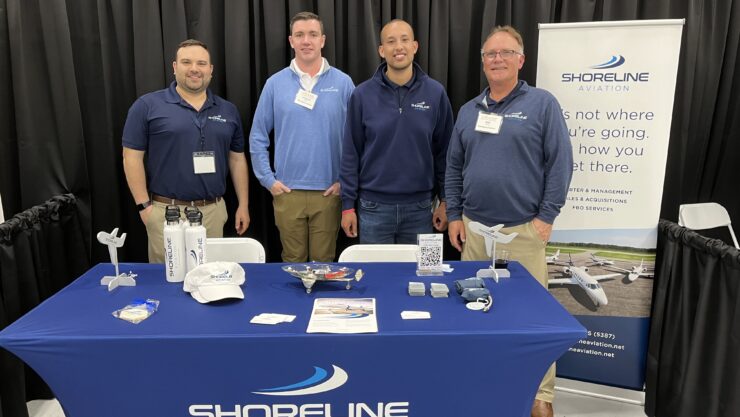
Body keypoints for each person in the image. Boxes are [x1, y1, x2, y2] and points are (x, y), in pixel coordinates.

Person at [445, 26, 573, 417]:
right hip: (474, 232)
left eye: (505, 52)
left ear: (521, 59)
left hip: (522, 233)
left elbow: (561, 163)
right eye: (489, 54)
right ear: (482, 61)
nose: (496, 59)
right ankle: (483, 382)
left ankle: (540, 396)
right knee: (473, 309)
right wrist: (453, 215)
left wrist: (545, 218)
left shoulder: (542, 104)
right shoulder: (470, 110)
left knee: (534, 319)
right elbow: (453, 166)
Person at [123, 39, 250, 263]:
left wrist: (243, 204)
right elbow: (131, 157)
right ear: (174, 67)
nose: (194, 69)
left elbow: (237, 159)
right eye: (186, 62)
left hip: (212, 212)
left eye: (201, 63)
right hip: (165, 214)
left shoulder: (228, 110)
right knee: (168, 283)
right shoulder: (148, 105)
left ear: (210, 70)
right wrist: (144, 207)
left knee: (210, 281)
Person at [250, 12, 354, 262]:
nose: (306, 40)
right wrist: (268, 179)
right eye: (300, 35)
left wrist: (345, 182)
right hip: (288, 192)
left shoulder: (343, 83)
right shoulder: (275, 84)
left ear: (323, 40)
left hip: (329, 193)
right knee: (292, 264)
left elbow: (358, 139)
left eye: (312, 34)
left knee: (324, 263)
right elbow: (258, 136)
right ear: (291, 41)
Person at [340, 19, 453, 244]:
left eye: (404, 40)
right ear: (382, 50)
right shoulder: (362, 95)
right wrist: (347, 207)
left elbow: (446, 154)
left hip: (422, 209)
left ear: (415, 46)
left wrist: (447, 201)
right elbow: (351, 153)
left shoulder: (436, 93)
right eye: (391, 42)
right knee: (373, 277)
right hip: (372, 209)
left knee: (422, 275)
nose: (398, 47)